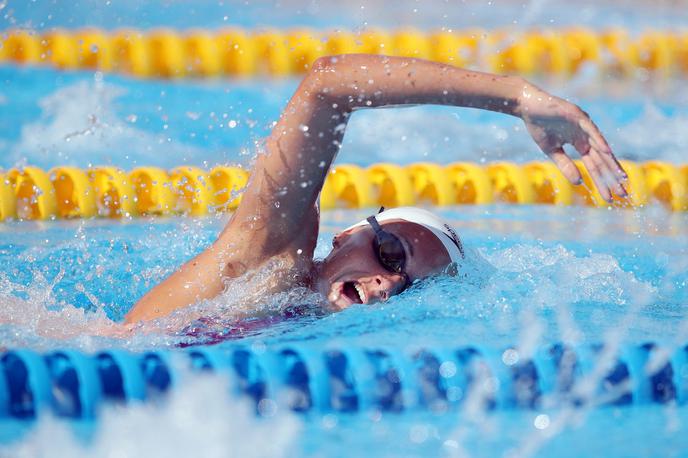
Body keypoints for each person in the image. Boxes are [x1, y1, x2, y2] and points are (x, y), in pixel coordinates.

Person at [124, 54, 627, 325]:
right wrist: (515, 97)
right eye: (390, 252)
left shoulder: (317, 336)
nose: (389, 283)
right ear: (344, 236)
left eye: (412, 285)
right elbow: (325, 85)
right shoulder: (269, 266)